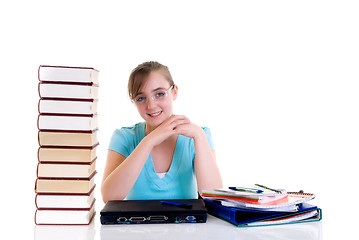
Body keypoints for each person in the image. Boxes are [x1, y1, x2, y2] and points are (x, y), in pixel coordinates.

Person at [101, 61, 222, 202]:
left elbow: (214, 197)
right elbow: (109, 197)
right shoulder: (124, 137)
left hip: (186, 224)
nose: (151, 105)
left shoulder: (198, 135)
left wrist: (200, 137)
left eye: (159, 94)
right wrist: (149, 141)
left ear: (174, 92)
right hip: (137, 224)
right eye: (141, 98)